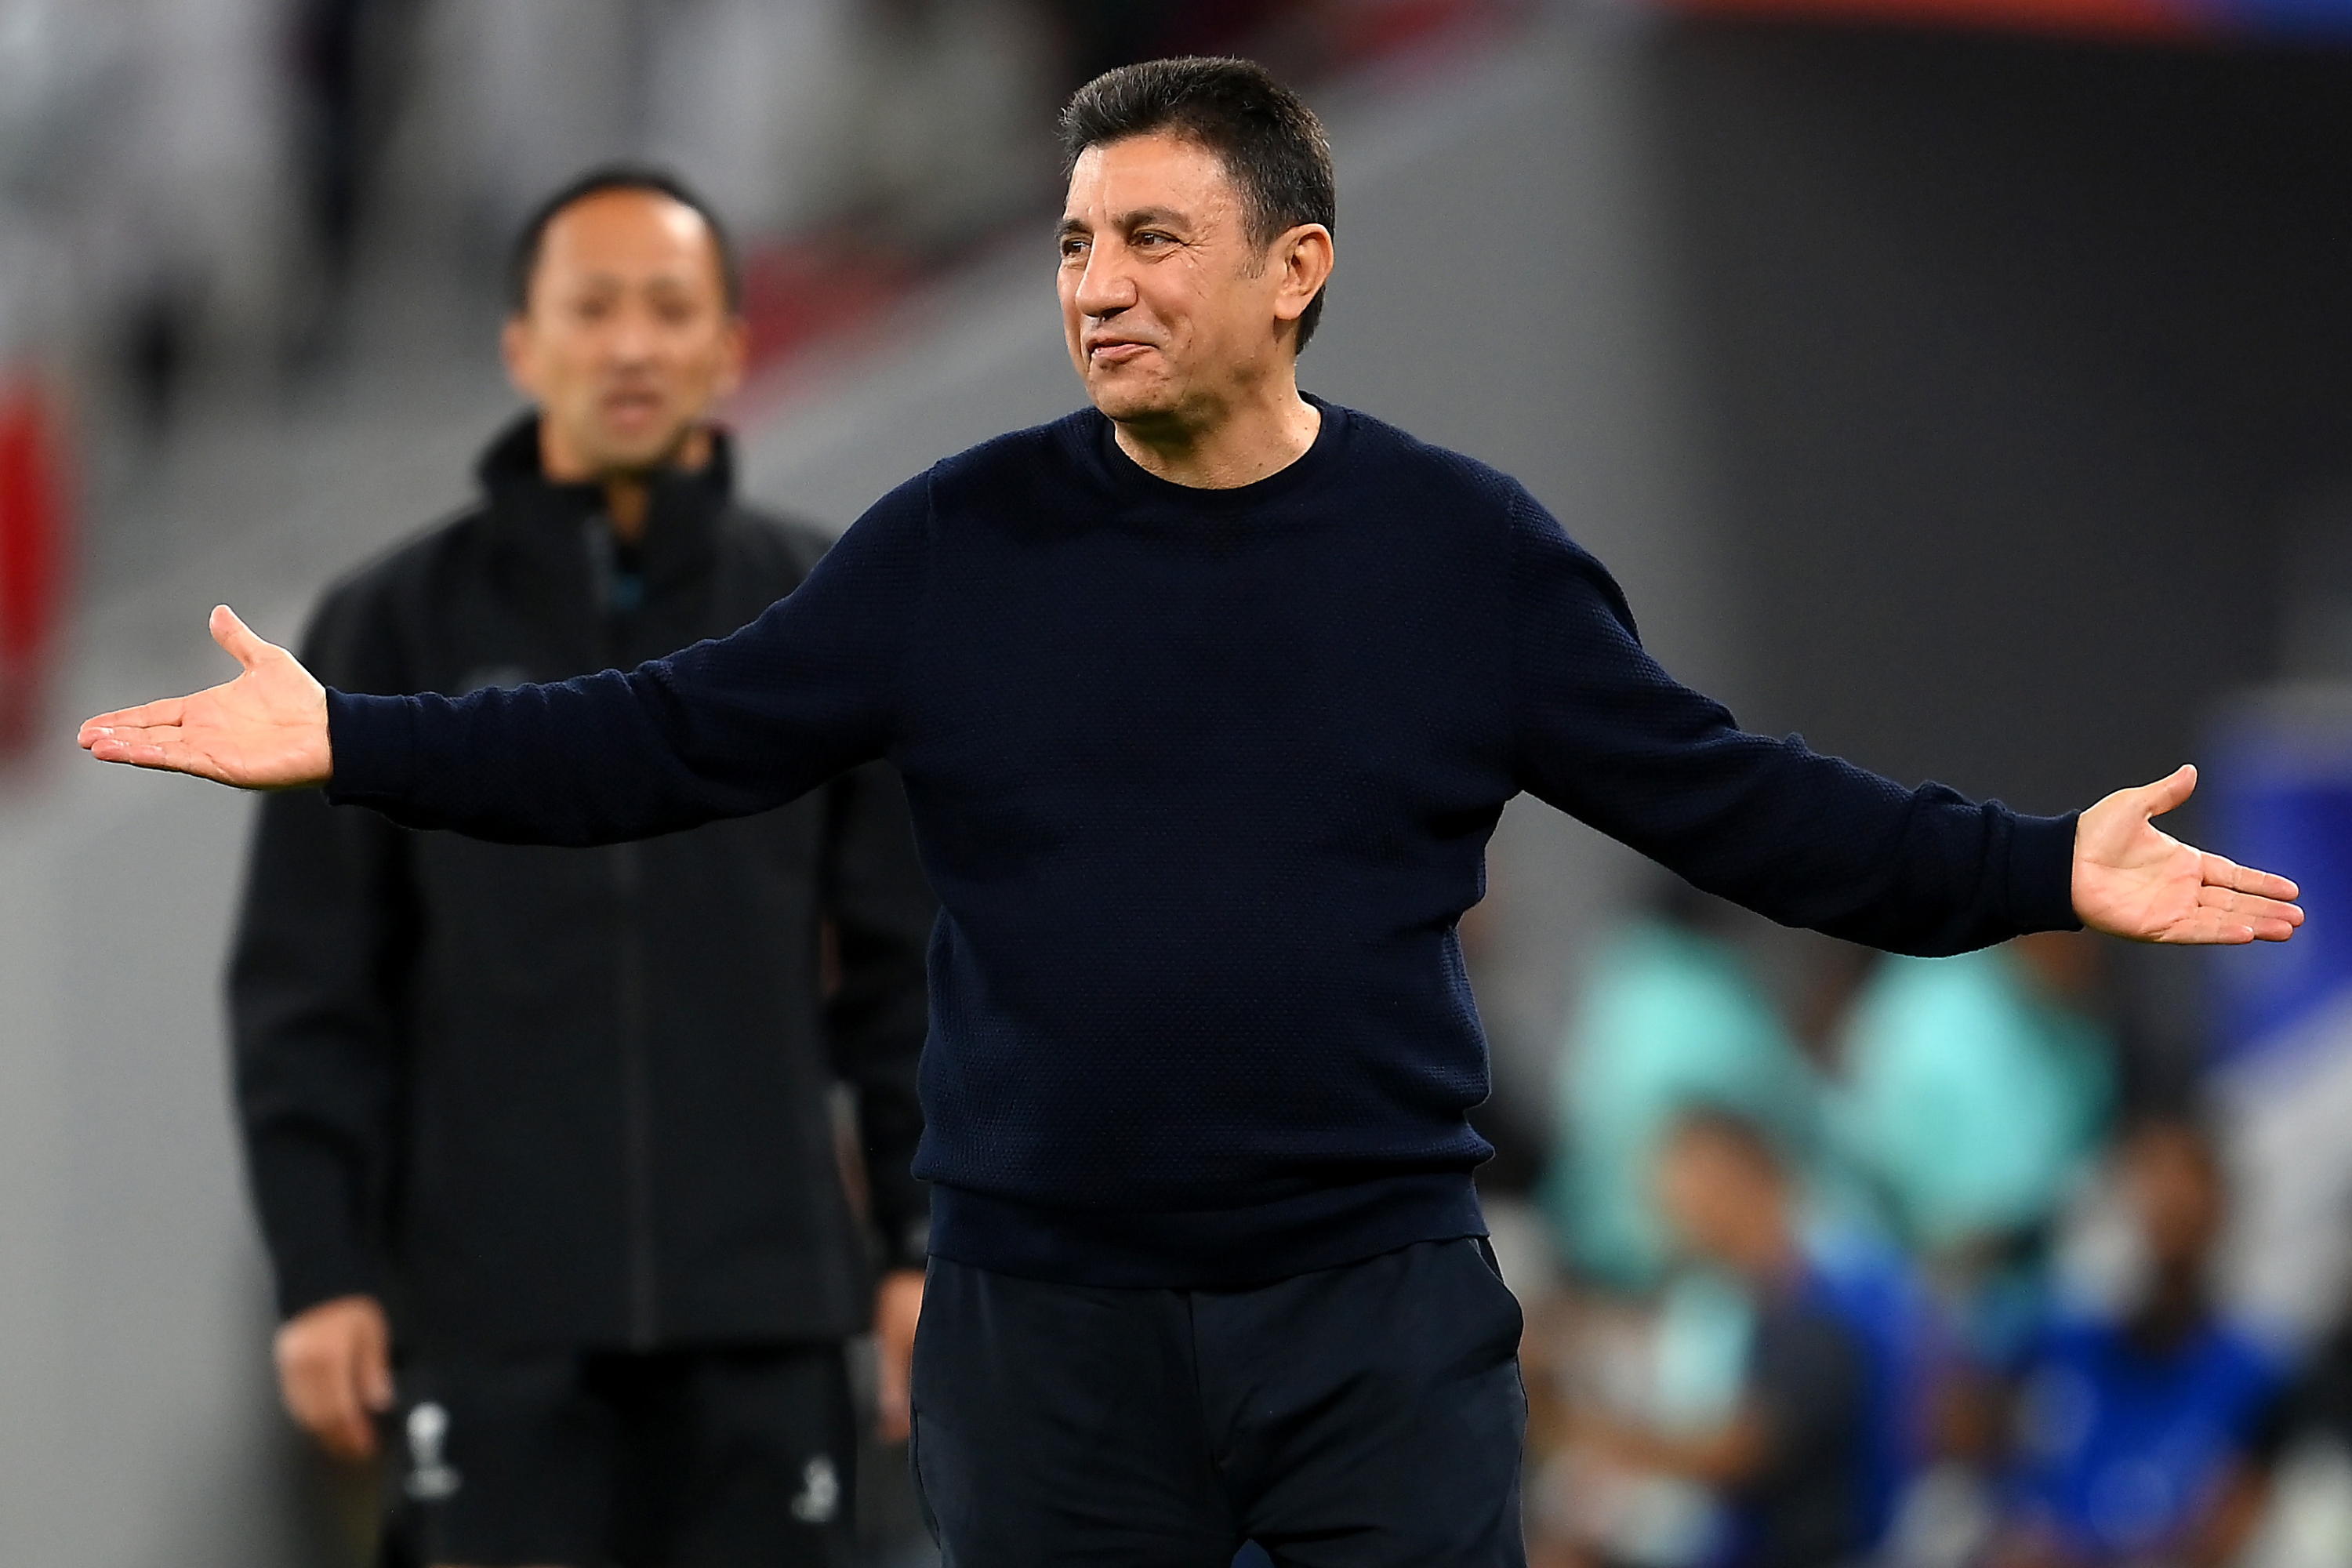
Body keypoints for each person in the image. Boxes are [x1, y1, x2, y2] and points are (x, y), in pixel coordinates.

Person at [82, 56, 2302, 1568]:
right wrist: (359, 737)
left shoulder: (1467, 561)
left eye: (1150, 239)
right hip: (1048, 1330)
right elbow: (658, 739)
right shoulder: (955, 553)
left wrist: (2042, 868)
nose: (1098, 288)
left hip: (1371, 1315)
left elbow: (1750, 814)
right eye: (1070, 247)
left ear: (1294, 268)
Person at [225, 166, 937, 1568]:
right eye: (592, 305)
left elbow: (913, 971)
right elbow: (308, 990)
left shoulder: (820, 616)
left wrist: (925, 1245)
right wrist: (322, 1273)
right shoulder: (389, 628)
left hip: (765, 1317)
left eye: (669, 308)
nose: (630, 343)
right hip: (490, 1320)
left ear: (732, 347)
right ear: (520, 343)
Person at [1567, 1107, 1908, 1568]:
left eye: (1692, 1187)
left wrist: (1597, 1437)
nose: (1677, 1210)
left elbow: (1751, 1446)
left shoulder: (1834, 1280)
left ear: (1749, 1176)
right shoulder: (1736, 1299)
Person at [1989, 1120, 2278, 1568]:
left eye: (2182, 1214)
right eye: (2147, 1200)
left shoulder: (2257, 1380)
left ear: (2218, 1218)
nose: (2159, 1223)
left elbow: (2227, 1537)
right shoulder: (2053, 1341)